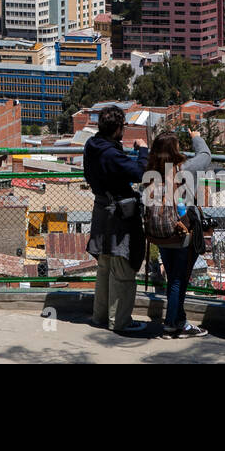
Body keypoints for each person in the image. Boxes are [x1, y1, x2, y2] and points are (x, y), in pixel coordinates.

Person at [84, 106, 148, 335]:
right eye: (123, 127)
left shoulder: (91, 145)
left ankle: (100, 316)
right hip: (119, 216)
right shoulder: (111, 154)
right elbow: (140, 173)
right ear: (117, 129)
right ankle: (120, 321)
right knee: (122, 267)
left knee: (104, 266)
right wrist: (143, 151)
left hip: (101, 209)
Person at [144, 129, 212, 338]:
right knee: (178, 280)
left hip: (161, 234)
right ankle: (171, 325)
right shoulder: (184, 169)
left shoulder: (150, 174)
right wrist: (196, 137)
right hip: (181, 232)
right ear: (175, 150)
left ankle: (180, 321)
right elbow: (206, 155)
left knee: (173, 277)